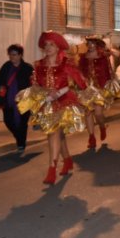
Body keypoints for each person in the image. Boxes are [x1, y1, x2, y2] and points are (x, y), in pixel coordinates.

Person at [16, 31, 88, 185]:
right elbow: (34, 85)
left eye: (51, 44)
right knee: (58, 135)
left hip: (64, 102)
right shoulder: (38, 65)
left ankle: (51, 169)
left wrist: (64, 90)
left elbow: (81, 84)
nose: (48, 47)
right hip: (47, 103)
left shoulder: (66, 64)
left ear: (58, 47)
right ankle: (67, 160)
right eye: (46, 45)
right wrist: (45, 93)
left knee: (53, 133)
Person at [78, 36, 119, 149]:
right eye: (88, 43)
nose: (90, 45)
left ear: (97, 44)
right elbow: (80, 71)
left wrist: (110, 51)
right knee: (88, 112)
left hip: (100, 89)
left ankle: (102, 126)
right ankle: (91, 137)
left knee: (98, 113)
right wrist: (83, 79)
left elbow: (115, 59)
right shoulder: (83, 57)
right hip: (87, 89)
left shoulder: (103, 56)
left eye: (92, 43)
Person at [0, 44, 34, 153]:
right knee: (8, 121)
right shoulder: (6, 66)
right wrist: (1, 89)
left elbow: (33, 84)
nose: (11, 57)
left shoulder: (28, 68)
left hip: (24, 101)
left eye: (14, 54)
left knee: (22, 123)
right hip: (8, 100)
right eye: (10, 55)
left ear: (20, 55)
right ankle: (19, 137)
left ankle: (21, 144)